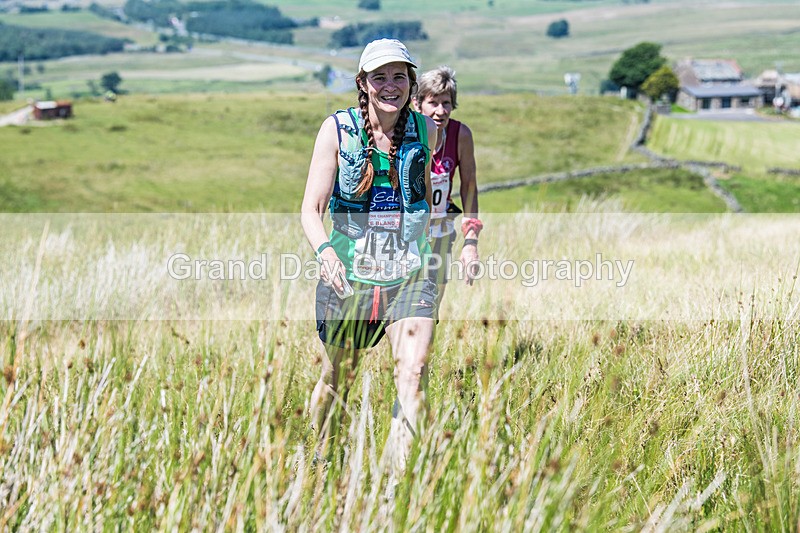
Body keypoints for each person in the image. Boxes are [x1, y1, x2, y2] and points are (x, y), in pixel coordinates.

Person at [300, 39, 438, 474]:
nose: (390, 85)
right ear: (363, 83)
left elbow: (419, 197)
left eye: (400, 76)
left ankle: (396, 483)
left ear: (411, 83)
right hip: (349, 277)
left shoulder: (425, 130)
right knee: (336, 379)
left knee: (413, 374)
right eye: (380, 77)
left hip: (410, 274)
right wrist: (325, 251)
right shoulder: (337, 130)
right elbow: (310, 209)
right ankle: (322, 461)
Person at [412, 66, 482, 305]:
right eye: (433, 103)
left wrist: (470, 241)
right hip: (407, 234)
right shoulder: (407, 133)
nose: (440, 111)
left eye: (447, 103)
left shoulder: (460, 135)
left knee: (431, 303)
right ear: (417, 103)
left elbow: (469, 188)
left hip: (441, 232)